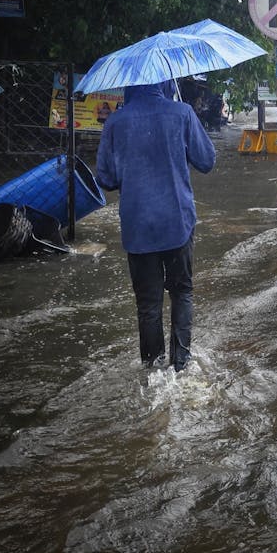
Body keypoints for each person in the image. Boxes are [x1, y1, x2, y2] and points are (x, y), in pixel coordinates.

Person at [95, 79, 216, 372]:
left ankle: (152, 371)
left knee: (148, 305)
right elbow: (207, 160)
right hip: (177, 223)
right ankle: (181, 366)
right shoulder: (182, 113)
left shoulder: (115, 122)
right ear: (164, 82)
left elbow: (106, 179)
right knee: (181, 292)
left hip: (138, 227)